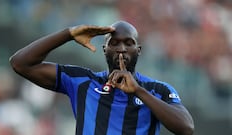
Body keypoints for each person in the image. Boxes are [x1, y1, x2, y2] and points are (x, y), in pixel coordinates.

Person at [10, 21, 194, 135]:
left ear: (138, 50)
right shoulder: (83, 81)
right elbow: (20, 63)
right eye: (114, 43)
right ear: (105, 50)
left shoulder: (158, 90)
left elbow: (186, 127)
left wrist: (138, 90)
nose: (121, 48)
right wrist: (68, 34)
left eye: (128, 43)